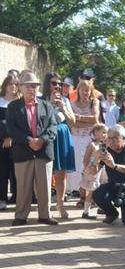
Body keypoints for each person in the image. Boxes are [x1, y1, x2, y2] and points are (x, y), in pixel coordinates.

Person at [6, 70, 58, 226]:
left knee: (45, 186)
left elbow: (53, 126)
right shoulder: (13, 106)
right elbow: (11, 128)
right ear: (21, 88)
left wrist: (41, 140)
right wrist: (29, 140)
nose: (32, 89)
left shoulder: (47, 105)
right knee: (23, 186)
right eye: (28, 86)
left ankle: (45, 215)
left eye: (35, 86)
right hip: (23, 151)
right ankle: (21, 216)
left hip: (43, 150)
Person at [91, 125, 125, 226]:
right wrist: (95, 159)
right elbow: (92, 172)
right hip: (115, 185)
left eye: (115, 138)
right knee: (98, 194)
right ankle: (112, 214)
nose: (111, 141)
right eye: (109, 138)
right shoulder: (107, 151)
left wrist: (114, 166)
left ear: (123, 139)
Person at [43, 72, 77, 219]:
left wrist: (63, 107)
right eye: (54, 83)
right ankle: (46, 206)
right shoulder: (40, 100)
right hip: (47, 137)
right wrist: (50, 104)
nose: (57, 86)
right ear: (47, 84)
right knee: (45, 173)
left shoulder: (65, 100)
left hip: (62, 136)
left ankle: (60, 205)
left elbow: (72, 122)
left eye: (59, 83)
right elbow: (41, 121)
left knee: (61, 173)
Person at [70, 79, 101, 199]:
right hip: (76, 138)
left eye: (87, 90)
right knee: (78, 167)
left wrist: (77, 117)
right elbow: (72, 124)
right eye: (83, 90)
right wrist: (86, 121)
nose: (85, 93)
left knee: (90, 165)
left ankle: (90, 196)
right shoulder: (72, 104)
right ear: (78, 90)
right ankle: (81, 195)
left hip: (90, 138)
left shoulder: (94, 102)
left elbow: (95, 119)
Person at [0, 75, 20, 209]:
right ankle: (2, 198)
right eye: (10, 84)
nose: (13, 87)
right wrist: (4, 138)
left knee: (17, 172)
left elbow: (21, 124)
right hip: (1, 142)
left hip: (17, 142)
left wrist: (12, 137)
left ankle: (18, 197)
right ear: (5, 85)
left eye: (15, 84)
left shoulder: (19, 103)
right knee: (2, 170)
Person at [80, 123, 108, 219]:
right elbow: (85, 159)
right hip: (93, 170)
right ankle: (86, 212)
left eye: (106, 133)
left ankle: (102, 207)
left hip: (101, 171)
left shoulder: (104, 145)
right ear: (96, 133)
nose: (105, 135)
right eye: (103, 132)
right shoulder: (92, 145)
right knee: (91, 191)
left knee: (100, 189)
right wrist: (87, 170)